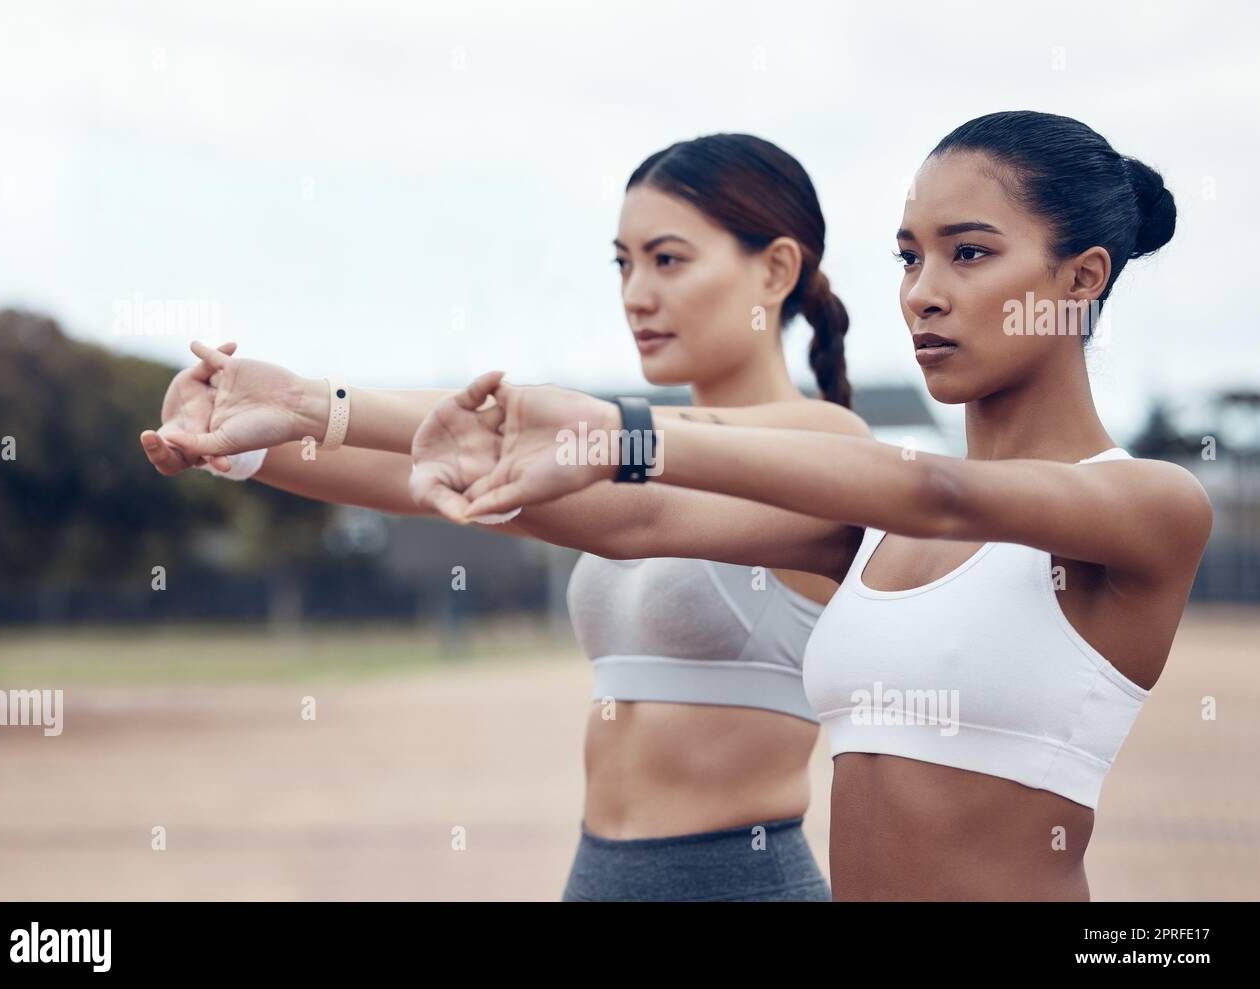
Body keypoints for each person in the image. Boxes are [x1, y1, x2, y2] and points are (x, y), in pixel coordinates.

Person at [445, 111, 1213, 901]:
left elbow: (937, 493)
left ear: (1082, 279)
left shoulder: (1150, 503)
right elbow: (638, 520)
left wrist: (621, 430)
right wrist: (327, 415)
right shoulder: (875, 525)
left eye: (969, 253)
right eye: (909, 258)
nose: (922, 294)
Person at [142, 134, 869, 900]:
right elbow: (432, 467)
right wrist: (240, 435)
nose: (635, 294)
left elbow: (625, 513)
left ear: (777, 268)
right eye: (622, 263)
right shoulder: (621, 441)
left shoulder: (828, 446)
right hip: (598, 877)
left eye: (668, 259)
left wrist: (305, 401)